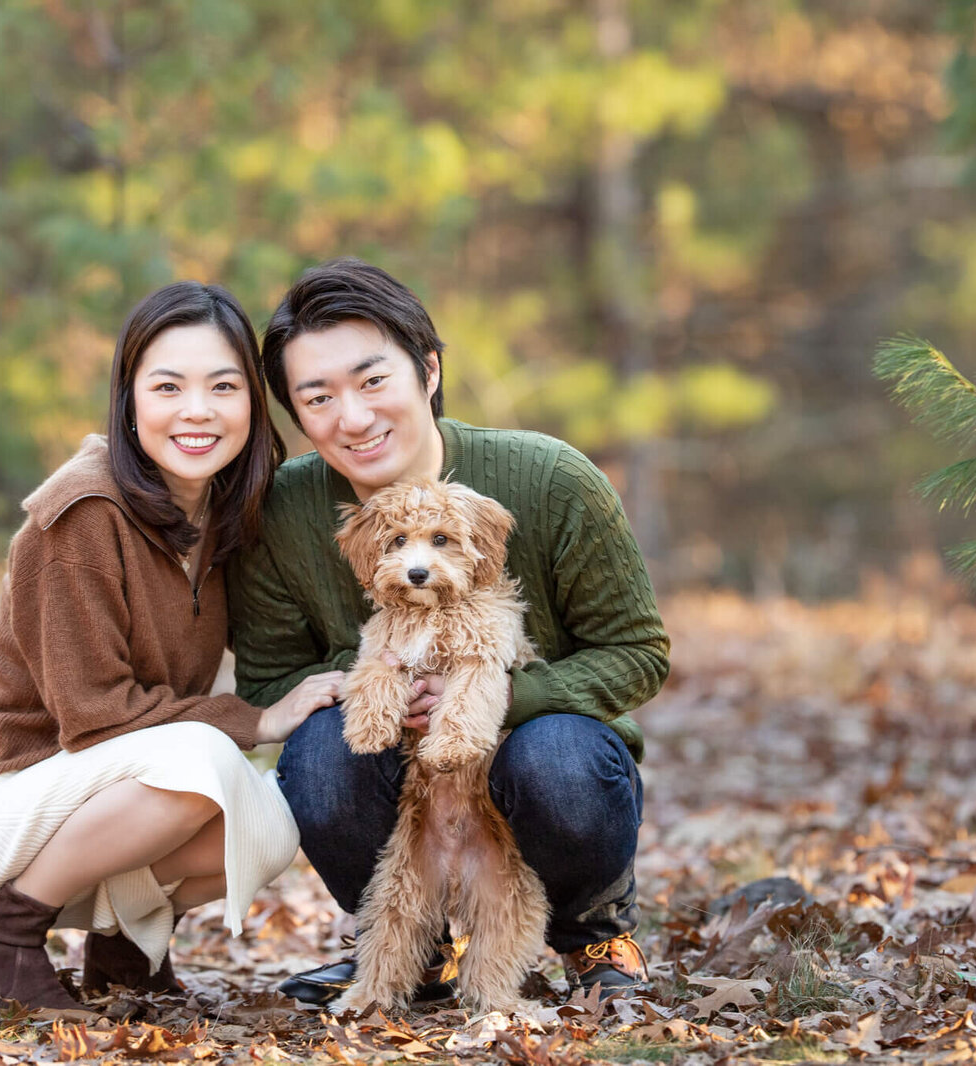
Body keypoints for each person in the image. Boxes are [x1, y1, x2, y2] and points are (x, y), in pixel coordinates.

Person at [228, 258, 671, 1007]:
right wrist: (381, 679)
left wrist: (501, 692)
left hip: (540, 748)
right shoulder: (281, 516)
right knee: (319, 758)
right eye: (318, 397)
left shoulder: (552, 479)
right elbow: (269, 681)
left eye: (373, 381)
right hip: (400, 772)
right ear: (296, 415)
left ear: (428, 370)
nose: (354, 417)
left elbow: (639, 652)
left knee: (558, 759)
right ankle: (416, 953)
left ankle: (593, 932)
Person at [0, 282, 342, 1011]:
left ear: (253, 405)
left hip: (78, 798)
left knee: (271, 821)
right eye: (168, 386)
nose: (197, 410)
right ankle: (7, 935)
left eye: (224, 386)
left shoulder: (219, 513)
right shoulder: (82, 513)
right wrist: (257, 719)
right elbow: (95, 716)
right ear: (129, 398)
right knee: (203, 761)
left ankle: (126, 945)